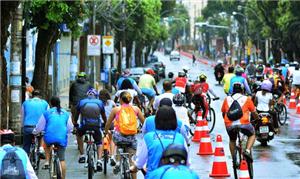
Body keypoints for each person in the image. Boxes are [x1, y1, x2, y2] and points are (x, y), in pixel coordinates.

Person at [130, 106, 187, 177]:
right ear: (175, 120)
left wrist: (134, 167)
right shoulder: (180, 137)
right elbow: (187, 162)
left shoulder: (148, 137)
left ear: (156, 120)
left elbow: (140, 162)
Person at [105, 91, 144, 177]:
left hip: (119, 137)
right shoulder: (136, 109)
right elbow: (144, 123)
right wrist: (140, 130)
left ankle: (118, 161)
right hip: (131, 138)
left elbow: (108, 123)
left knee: (117, 143)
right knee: (131, 160)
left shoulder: (116, 109)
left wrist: (106, 131)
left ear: (120, 99)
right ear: (130, 100)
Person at [33, 96, 73, 179]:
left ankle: (47, 161)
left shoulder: (47, 113)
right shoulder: (65, 113)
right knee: (62, 159)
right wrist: (67, 132)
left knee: (47, 143)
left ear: (50, 104)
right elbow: (70, 128)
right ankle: (63, 177)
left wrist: (35, 132)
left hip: (50, 137)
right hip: (61, 138)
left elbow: (40, 127)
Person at [221, 82, 259, 162]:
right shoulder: (247, 99)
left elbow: (223, 113)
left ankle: (234, 160)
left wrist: (226, 122)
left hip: (229, 125)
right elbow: (254, 112)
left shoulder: (227, 99)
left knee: (232, 140)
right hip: (244, 124)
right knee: (252, 134)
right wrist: (257, 119)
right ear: (242, 90)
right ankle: (247, 151)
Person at [75, 88, 107, 171]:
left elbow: (76, 115)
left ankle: (82, 155)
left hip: (84, 125)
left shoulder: (82, 102)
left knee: (79, 135)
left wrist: (75, 123)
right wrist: (105, 124)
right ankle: (99, 160)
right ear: (95, 96)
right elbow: (103, 116)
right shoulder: (99, 102)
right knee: (99, 142)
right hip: (96, 126)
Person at [21, 89, 49, 155]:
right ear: (40, 96)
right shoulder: (45, 103)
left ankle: (26, 156)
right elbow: (48, 116)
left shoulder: (25, 103)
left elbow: (22, 116)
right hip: (40, 128)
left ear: (32, 96)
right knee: (42, 134)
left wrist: (22, 127)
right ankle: (41, 148)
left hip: (28, 127)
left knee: (26, 145)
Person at [98, 89, 116, 166]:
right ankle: (112, 156)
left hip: (101, 124)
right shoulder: (112, 103)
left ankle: (99, 158)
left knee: (100, 140)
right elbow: (116, 112)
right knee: (112, 139)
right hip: (110, 124)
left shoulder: (98, 103)